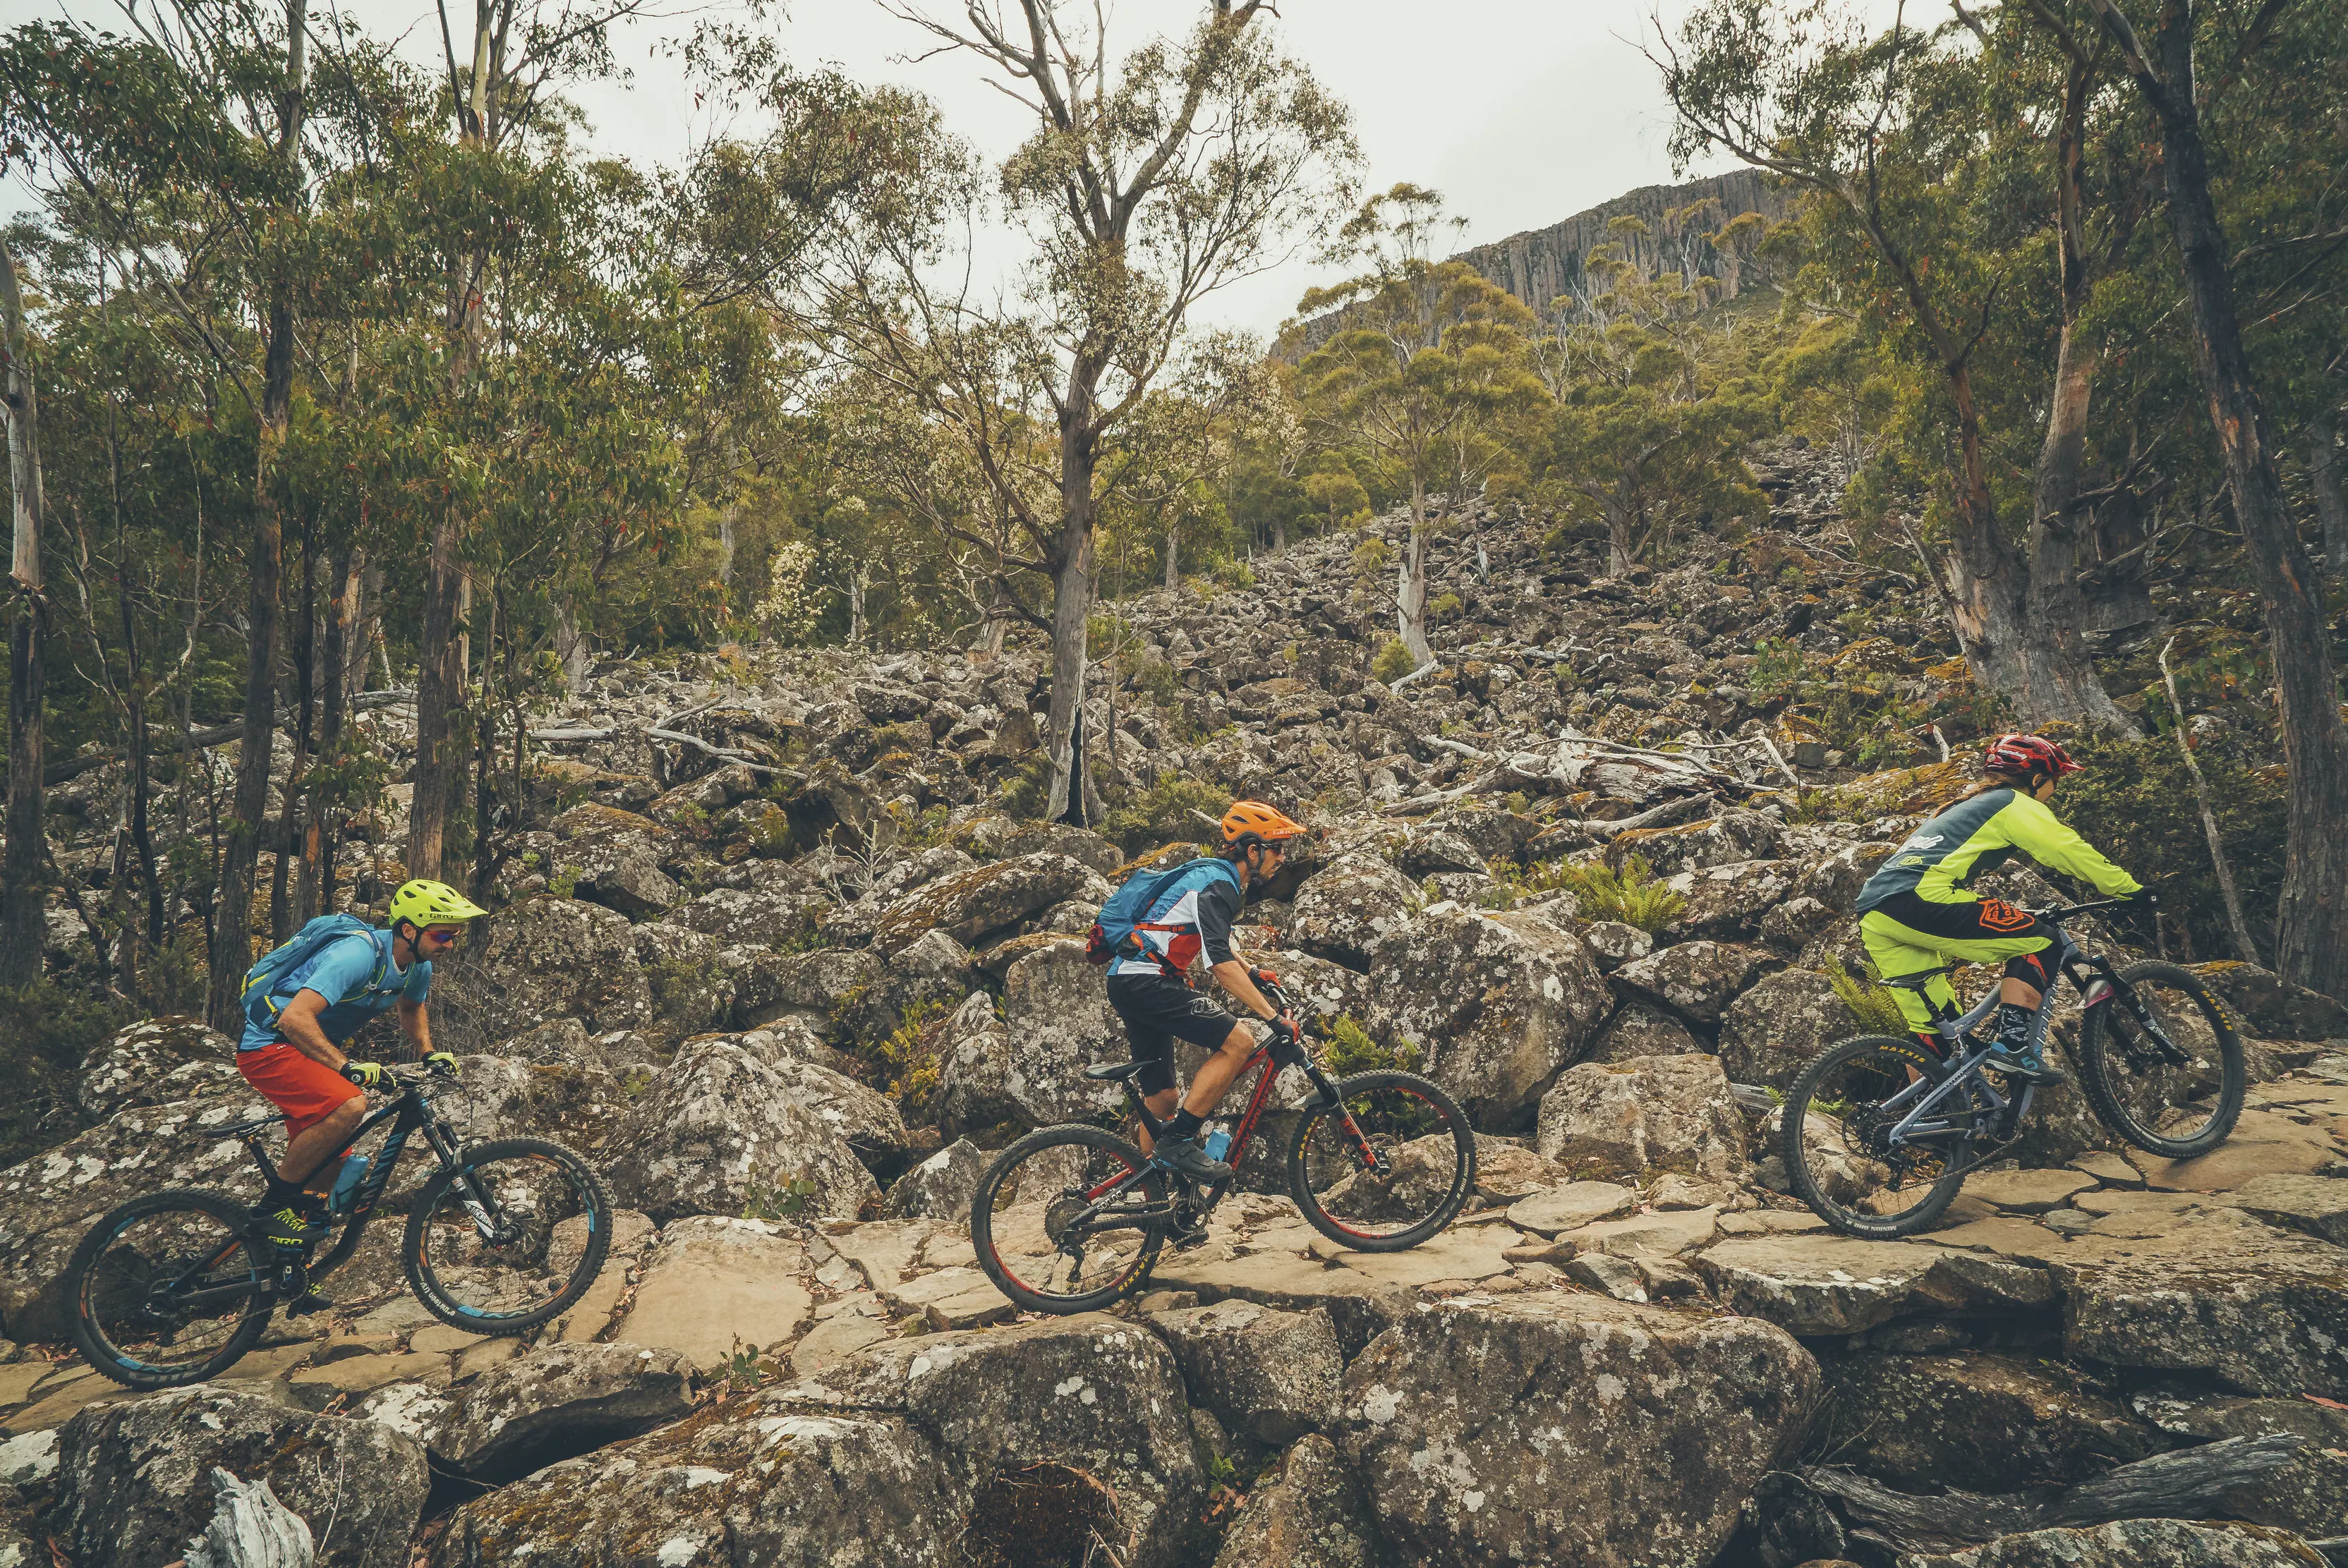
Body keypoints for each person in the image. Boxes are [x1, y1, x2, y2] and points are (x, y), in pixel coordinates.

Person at [1853, 734, 2150, 1083]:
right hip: (1922, 898)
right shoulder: (2012, 803)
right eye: (2055, 782)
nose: (2054, 791)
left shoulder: (1958, 809)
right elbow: (2067, 849)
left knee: (1935, 1026)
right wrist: (2130, 891)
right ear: (2037, 779)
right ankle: (2012, 1046)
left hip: (1876, 911)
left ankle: (1925, 1121)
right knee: (2043, 941)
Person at [236, 879, 483, 1276]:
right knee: (349, 1103)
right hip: (270, 1047)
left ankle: (291, 1276)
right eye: (442, 934)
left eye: (454, 936)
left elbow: (411, 1008)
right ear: (409, 930)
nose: (449, 944)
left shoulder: (418, 966)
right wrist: (346, 1067)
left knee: (330, 1166)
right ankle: (271, 1210)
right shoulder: (355, 955)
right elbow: (294, 1018)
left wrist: (428, 1052)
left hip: (307, 1050)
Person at [1105, 801, 1308, 1184]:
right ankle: (1179, 1142)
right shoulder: (1220, 884)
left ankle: (1152, 1196)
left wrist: (1253, 971)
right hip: (1146, 981)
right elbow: (1218, 963)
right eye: (1277, 848)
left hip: (1129, 980)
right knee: (1239, 1042)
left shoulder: (1213, 877)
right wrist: (1271, 1016)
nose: (1283, 857)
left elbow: (1213, 939)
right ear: (1253, 850)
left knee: (1163, 1101)